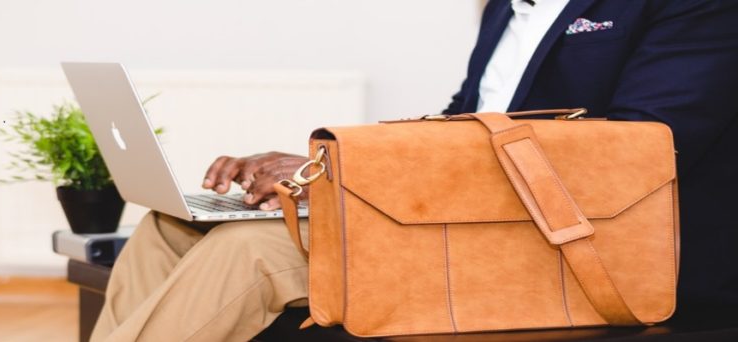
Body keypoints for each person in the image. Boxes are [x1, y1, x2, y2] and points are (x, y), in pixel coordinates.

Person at [91, 0, 738, 340]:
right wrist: (319, 171)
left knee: (251, 251)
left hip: (572, 243)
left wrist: (347, 173)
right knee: (168, 227)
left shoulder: (688, 6)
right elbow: (461, 126)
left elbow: (635, 151)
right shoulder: (505, 11)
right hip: (470, 221)